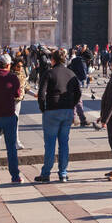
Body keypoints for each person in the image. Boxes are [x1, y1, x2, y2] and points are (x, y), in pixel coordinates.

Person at [37, 49, 81, 183]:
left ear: (53, 60)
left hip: (52, 110)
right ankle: (63, 173)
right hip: (67, 111)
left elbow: (41, 93)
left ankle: (46, 174)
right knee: (64, 143)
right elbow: (78, 93)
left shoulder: (49, 73)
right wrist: (71, 104)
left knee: (50, 144)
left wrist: (43, 108)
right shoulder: (71, 73)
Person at [0, 54, 24, 185]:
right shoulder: (12, 78)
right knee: (11, 148)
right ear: (8, 65)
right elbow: (17, 94)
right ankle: (15, 177)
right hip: (8, 116)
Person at [69, 49, 91, 126]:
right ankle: (82, 119)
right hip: (76, 83)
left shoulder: (75, 59)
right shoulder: (83, 62)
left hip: (70, 82)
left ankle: (73, 118)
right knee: (78, 101)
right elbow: (83, 76)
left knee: (74, 101)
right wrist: (88, 76)